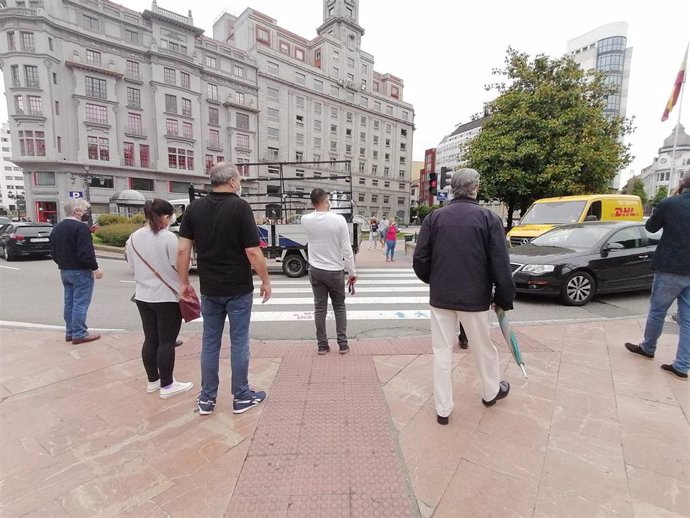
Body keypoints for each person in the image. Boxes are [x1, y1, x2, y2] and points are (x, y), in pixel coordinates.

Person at [413, 168, 516, 425]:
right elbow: (500, 264)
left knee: (441, 351)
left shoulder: (434, 219)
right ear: (475, 187)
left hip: (441, 297)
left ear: (452, 189)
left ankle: (443, 408)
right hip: (476, 297)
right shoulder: (488, 219)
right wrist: (503, 297)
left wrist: (435, 280)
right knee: (484, 348)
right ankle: (491, 391)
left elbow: (420, 259)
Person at [177, 163, 272, 415]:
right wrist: (265, 280)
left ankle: (206, 398)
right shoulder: (240, 207)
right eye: (239, 179)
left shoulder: (194, 208)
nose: (240, 183)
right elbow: (252, 250)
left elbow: (183, 249)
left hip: (210, 287)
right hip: (238, 287)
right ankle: (241, 396)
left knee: (210, 341)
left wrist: (184, 282)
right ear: (231, 181)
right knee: (239, 341)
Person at [625, 170, 690, 379]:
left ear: (683, 182)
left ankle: (648, 347)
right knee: (688, 320)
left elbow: (651, 227)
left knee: (657, 311)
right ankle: (682, 365)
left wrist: (669, 202)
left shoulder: (671, 204)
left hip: (670, 268)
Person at [126, 199, 193, 399]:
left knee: (151, 339)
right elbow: (181, 266)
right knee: (167, 342)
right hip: (166, 296)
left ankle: (153, 381)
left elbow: (131, 264)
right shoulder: (168, 238)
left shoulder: (134, 237)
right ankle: (167, 385)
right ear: (164, 216)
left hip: (142, 296)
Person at [301, 188, 357, 355]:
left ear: (312, 203)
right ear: (327, 200)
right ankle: (343, 344)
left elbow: (316, 215)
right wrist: (352, 272)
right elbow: (346, 248)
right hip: (335, 270)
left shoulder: (306, 220)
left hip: (316, 270)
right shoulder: (339, 220)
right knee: (339, 306)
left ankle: (322, 346)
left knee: (320, 308)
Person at [51, 199, 104, 344]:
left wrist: (63, 263)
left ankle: (70, 331)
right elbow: (86, 253)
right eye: (84, 210)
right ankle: (79, 333)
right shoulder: (80, 228)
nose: (85, 213)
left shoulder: (57, 228)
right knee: (80, 303)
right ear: (76, 211)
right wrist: (95, 269)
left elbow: (54, 252)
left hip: (65, 270)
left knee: (69, 302)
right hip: (81, 271)